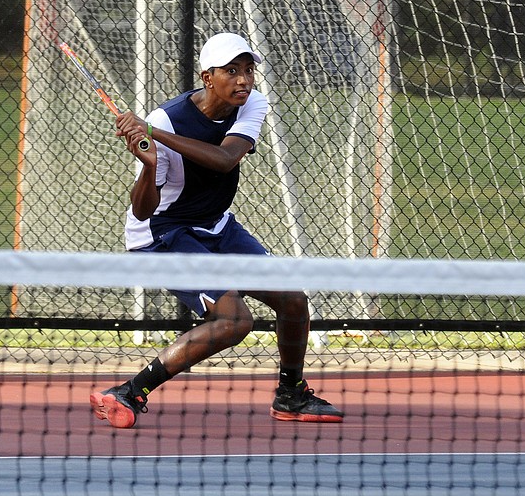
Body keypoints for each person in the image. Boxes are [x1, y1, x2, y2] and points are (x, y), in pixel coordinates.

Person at [90, 32, 343, 428]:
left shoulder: (249, 104)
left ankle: (291, 394)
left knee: (293, 299)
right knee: (235, 321)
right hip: (163, 236)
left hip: (216, 226)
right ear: (208, 77)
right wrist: (153, 164)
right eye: (232, 71)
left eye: (248, 70)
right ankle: (129, 391)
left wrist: (156, 136)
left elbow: (225, 159)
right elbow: (143, 209)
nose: (243, 79)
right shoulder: (166, 119)